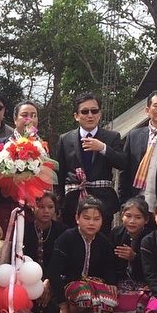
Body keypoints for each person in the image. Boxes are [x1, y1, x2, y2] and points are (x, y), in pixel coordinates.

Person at [54, 92, 126, 231]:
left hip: (103, 202)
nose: (90, 115)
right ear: (76, 116)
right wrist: (59, 204)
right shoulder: (65, 139)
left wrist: (103, 148)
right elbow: (60, 174)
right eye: (85, 111)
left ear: (99, 114)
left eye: (94, 111)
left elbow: (122, 163)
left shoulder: (111, 137)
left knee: (101, 244)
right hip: (73, 202)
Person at [49, 197, 118, 313]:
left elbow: (109, 265)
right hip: (67, 287)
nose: (91, 223)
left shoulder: (103, 242)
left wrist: (112, 283)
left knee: (110, 296)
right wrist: (63, 306)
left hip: (91, 285)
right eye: (86, 218)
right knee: (84, 293)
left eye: (96, 219)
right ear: (77, 218)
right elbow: (54, 271)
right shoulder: (66, 238)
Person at [0, 100, 40, 240]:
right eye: (25, 115)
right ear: (15, 118)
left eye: (34, 115)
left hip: (33, 208)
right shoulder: (1, 144)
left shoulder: (42, 146)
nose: (29, 119)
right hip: (5, 206)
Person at [110, 197, 152, 313]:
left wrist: (134, 257)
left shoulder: (151, 237)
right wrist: (112, 283)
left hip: (144, 282)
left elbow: (153, 265)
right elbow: (109, 262)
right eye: (128, 216)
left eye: (138, 217)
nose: (132, 221)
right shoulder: (116, 233)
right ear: (122, 216)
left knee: (144, 300)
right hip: (122, 281)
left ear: (146, 220)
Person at [22, 191, 62, 313]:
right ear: (32, 207)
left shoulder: (62, 231)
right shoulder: (24, 230)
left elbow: (61, 263)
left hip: (54, 280)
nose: (46, 211)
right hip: (28, 280)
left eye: (50, 207)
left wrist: (49, 281)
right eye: (41, 207)